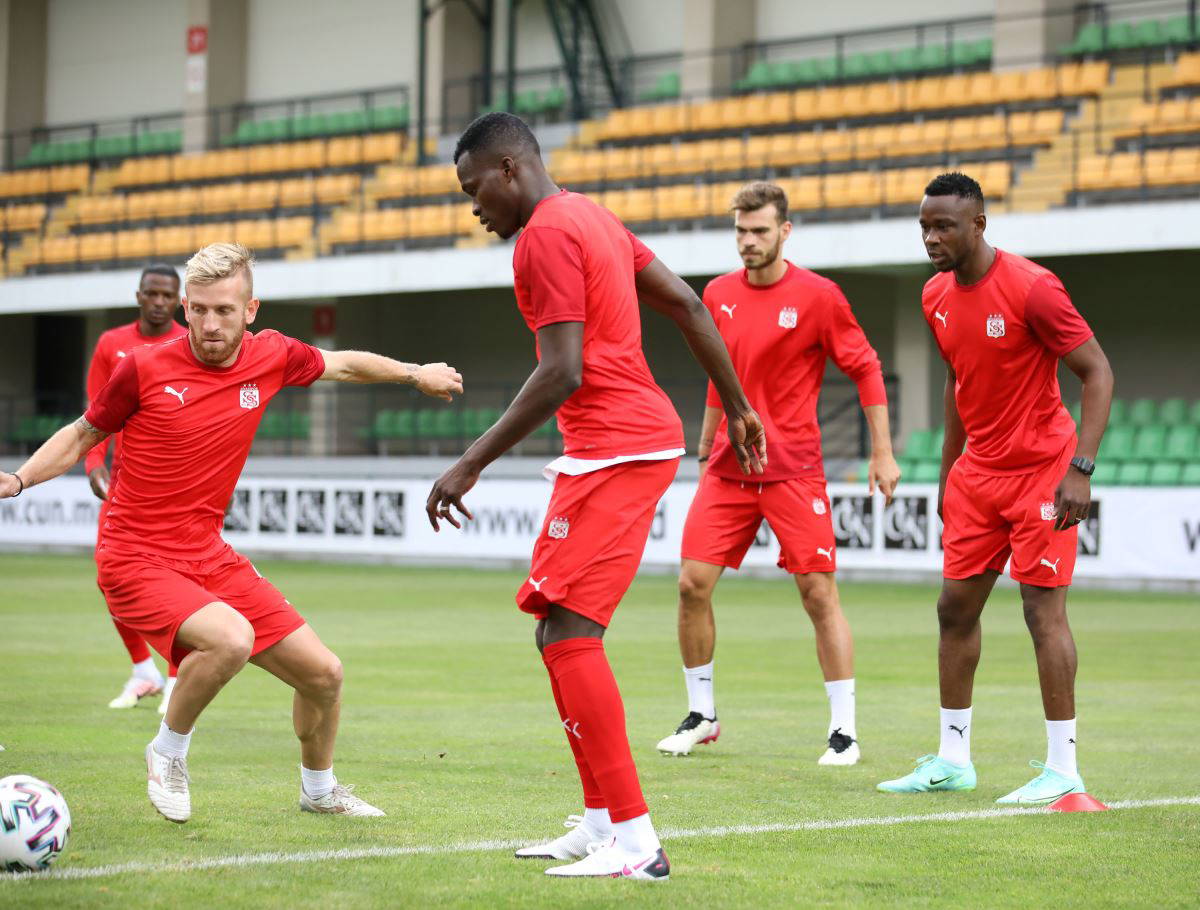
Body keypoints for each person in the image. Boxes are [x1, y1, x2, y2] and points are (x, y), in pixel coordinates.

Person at [0, 243, 463, 823]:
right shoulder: (143, 367)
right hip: (134, 556)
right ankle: (167, 752)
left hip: (208, 555)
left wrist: (415, 373)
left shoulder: (272, 355)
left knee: (324, 674)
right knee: (230, 638)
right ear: (185, 309)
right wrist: (17, 480)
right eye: (199, 310)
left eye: (224, 310)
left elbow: (343, 362)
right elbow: (81, 434)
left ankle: (319, 789)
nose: (210, 324)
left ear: (250, 310)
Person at [426, 113, 765, 881]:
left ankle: (638, 846)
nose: (472, 204)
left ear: (508, 169)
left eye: (472, 186)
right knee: (556, 631)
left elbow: (563, 370)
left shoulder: (546, 234)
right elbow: (687, 304)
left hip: (616, 445)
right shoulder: (594, 218)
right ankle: (603, 821)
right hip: (624, 443)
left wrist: (470, 462)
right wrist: (737, 404)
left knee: (570, 634)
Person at [877, 172, 1113, 804]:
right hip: (977, 476)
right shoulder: (934, 296)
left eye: (943, 225)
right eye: (924, 225)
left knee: (1042, 611)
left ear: (978, 225)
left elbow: (1097, 373)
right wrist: (948, 472)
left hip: (1043, 469)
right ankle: (954, 759)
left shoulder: (1033, 289)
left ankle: (1064, 772)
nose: (930, 236)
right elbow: (959, 383)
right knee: (953, 609)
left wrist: (1080, 470)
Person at [656, 182, 900, 766]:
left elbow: (866, 368)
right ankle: (702, 715)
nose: (748, 241)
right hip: (727, 469)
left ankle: (844, 731)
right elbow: (722, 372)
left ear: (785, 232)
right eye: (741, 231)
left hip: (793, 471)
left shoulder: (820, 296)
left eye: (760, 231)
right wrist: (708, 436)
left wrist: (882, 452)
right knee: (691, 584)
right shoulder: (715, 294)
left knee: (818, 593)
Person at [86, 264, 187, 712]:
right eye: (153, 294)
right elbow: (96, 411)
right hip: (124, 485)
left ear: (179, 300)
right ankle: (143, 670)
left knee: (180, 581)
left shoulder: (189, 343)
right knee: (110, 578)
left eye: (168, 295)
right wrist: (93, 463)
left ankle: (177, 676)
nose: (160, 302)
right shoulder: (112, 344)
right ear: (139, 296)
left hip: (178, 486)